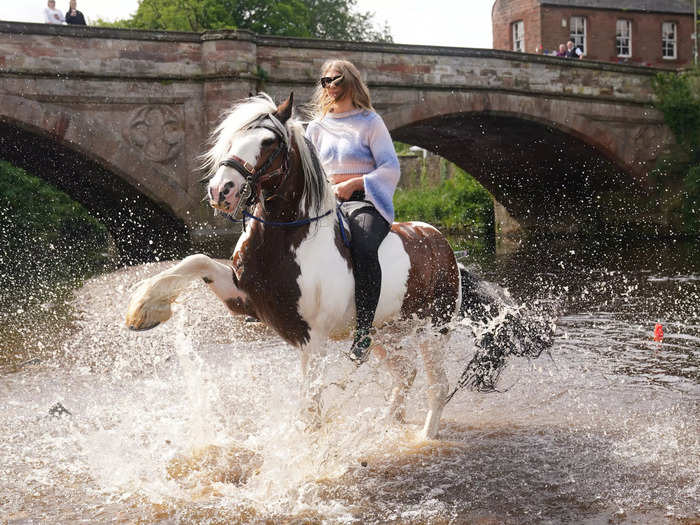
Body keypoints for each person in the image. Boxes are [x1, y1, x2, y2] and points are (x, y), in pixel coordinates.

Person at [305, 59, 401, 365]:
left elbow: (391, 167)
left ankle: (363, 330)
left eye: (337, 81)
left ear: (351, 83)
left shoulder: (370, 121)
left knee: (363, 245)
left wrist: (354, 183)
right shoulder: (316, 127)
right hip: (326, 205)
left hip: (365, 202)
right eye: (325, 82)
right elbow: (308, 172)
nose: (331, 87)